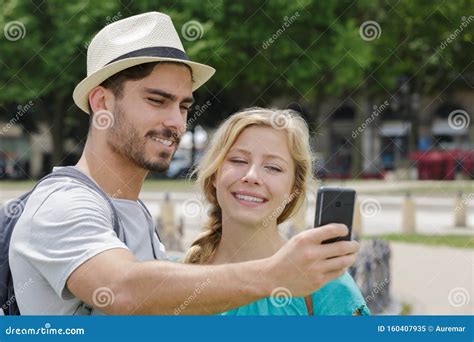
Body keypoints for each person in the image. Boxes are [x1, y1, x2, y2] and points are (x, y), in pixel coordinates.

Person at [9, 12, 359, 315]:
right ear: (101, 102)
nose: (176, 121)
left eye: (183, 106)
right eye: (157, 100)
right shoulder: (63, 204)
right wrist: (274, 275)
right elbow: (121, 290)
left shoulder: (132, 214)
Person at [185, 108, 369, 315]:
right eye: (238, 160)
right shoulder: (174, 281)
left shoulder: (326, 285)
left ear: (294, 188)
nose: (252, 176)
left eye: (273, 167)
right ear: (214, 175)